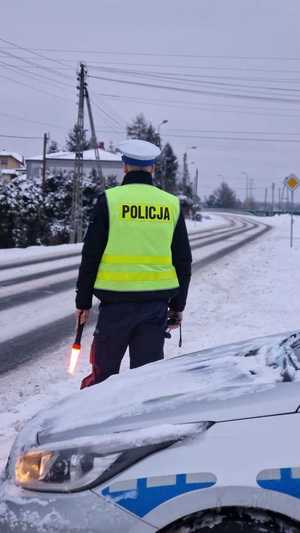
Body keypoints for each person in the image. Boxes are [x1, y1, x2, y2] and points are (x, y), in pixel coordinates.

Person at [76, 139, 192, 388]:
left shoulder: (109, 200)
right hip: (155, 308)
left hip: (115, 307)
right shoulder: (170, 204)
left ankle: (95, 423)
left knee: (103, 378)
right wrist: (177, 305)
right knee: (146, 382)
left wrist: (83, 302)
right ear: (152, 169)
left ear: (125, 167)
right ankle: (139, 426)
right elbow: (183, 260)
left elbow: (91, 256)